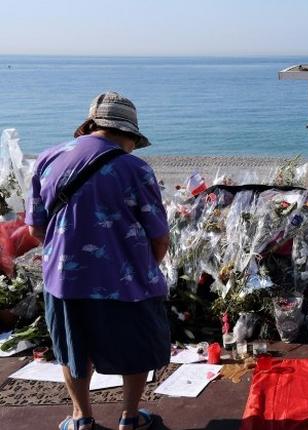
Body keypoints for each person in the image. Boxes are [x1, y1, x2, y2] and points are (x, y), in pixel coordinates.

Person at [26, 92, 170, 430]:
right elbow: (159, 236)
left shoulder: (48, 158)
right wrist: (145, 266)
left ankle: (81, 419)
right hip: (127, 279)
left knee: (73, 349)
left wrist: (68, 252)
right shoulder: (135, 169)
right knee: (135, 348)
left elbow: (35, 228)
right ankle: (130, 418)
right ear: (129, 134)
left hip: (64, 280)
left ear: (91, 125)